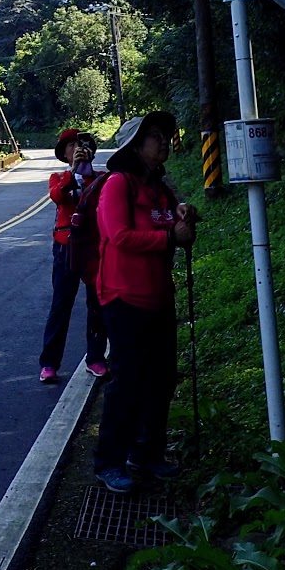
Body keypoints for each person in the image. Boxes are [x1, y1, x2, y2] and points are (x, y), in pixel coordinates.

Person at [92, 111, 197, 494]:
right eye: (154, 136)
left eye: (164, 135)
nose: (163, 141)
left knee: (162, 378)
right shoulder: (118, 185)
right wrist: (170, 236)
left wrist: (184, 215)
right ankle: (109, 462)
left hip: (159, 296)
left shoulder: (161, 190)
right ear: (136, 146)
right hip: (124, 297)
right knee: (128, 381)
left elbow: (168, 223)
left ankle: (147, 453)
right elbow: (119, 235)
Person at [40, 129, 108, 384]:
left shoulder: (100, 179)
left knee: (97, 303)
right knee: (61, 304)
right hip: (65, 247)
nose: (77, 149)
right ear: (64, 154)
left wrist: (86, 174)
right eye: (72, 146)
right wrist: (73, 172)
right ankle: (49, 363)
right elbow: (58, 196)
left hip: (93, 247)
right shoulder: (58, 178)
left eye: (81, 145)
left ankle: (96, 357)